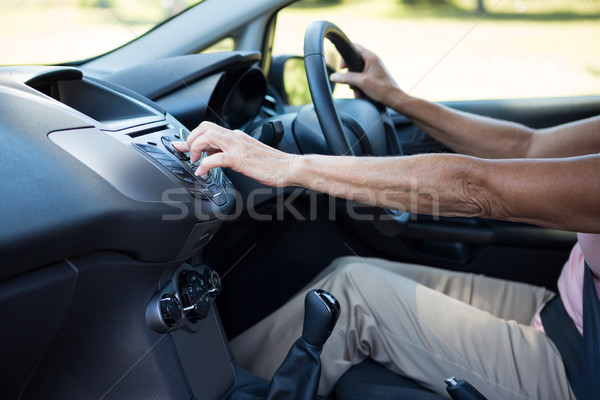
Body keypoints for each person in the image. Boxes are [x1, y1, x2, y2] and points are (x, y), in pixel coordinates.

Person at [173, 45, 600, 400]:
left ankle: (210, 391)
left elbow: (480, 188)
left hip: (581, 367)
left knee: (354, 297)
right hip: (573, 309)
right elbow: (526, 146)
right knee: (348, 274)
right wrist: (395, 97)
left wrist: (290, 166)